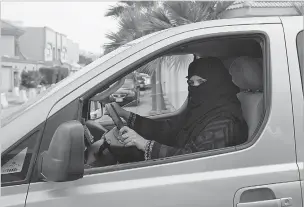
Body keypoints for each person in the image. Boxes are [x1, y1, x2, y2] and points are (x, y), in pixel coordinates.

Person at [104, 57, 248, 161]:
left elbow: (194, 159)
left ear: (218, 82)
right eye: (191, 82)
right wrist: (126, 115)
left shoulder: (225, 121)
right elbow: (168, 130)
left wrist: (144, 144)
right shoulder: (198, 110)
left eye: (201, 82)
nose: (194, 87)